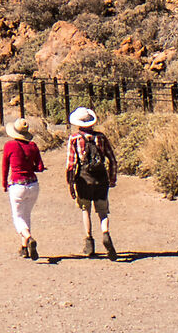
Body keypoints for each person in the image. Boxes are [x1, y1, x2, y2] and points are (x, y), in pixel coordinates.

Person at [66, 106, 119, 259]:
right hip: (101, 177)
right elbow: (112, 160)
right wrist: (112, 178)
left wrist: (70, 184)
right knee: (103, 211)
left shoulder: (74, 139)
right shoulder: (101, 138)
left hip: (83, 178)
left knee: (85, 210)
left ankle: (89, 241)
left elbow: (71, 164)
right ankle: (106, 233)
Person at [1, 117, 44, 259]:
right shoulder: (33, 146)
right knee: (26, 215)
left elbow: (5, 166)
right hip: (33, 185)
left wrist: (3, 183)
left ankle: (28, 237)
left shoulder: (9, 146)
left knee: (18, 217)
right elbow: (40, 167)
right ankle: (24, 247)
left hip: (17, 184)